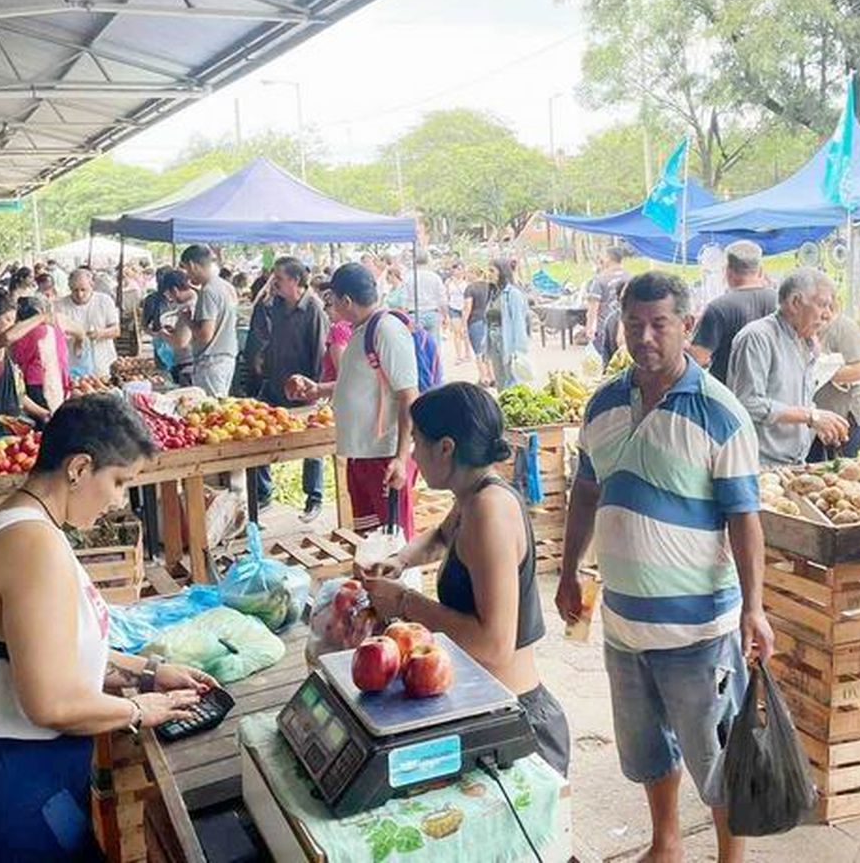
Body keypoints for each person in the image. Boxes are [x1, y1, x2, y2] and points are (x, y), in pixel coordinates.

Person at [0, 396, 213, 862]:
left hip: (14, 787)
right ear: (78, 468)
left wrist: (148, 670)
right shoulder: (30, 545)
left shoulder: (23, 527)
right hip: (8, 802)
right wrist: (139, 709)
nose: (120, 500)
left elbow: (49, 651)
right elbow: (51, 702)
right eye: (119, 482)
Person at [555, 272, 772, 863]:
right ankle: (666, 843)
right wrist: (569, 568)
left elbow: (744, 517)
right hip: (624, 623)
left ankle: (732, 858)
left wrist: (754, 607)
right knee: (649, 747)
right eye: (633, 324)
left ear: (687, 325)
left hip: (697, 628)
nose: (645, 337)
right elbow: (585, 489)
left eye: (659, 324)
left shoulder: (719, 412)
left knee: (716, 753)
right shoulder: (601, 404)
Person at [360, 383, 570, 776]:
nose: (413, 458)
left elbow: (494, 644)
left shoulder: (488, 512)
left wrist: (405, 603)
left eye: (417, 444)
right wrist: (400, 560)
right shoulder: (471, 496)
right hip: (485, 706)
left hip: (516, 722)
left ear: (446, 448)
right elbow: (441, 537)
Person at [287, 263, 419, 537]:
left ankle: (404, 582)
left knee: (395, 543)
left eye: (332, 299)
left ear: (346, 300)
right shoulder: (361, 331)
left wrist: (401, 457)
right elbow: (360, 384)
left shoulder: (387, 330)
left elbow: (408, 396)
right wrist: (318, 390)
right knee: (369, 541)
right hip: (361, 455)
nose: (331, 306)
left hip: (384, 457)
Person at [727, 268, 849, 466]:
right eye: (823, 305)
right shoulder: (758, 337)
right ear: (795, 303)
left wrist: (818, 422)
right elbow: (748, 402)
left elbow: (794, 399)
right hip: (761, 464)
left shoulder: (805, 342)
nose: (827, 315)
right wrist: (811, 416)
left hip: (795, 462)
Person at [246, 257, 329, 522]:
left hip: (303, 387)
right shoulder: (276, 306)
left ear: (294, 280)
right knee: (256, 432)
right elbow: (271, 337)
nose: (275, 283)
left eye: (279, 279)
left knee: (312, 443)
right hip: (274, 383)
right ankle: (263, 493)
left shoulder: (314, 310)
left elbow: (319, 352)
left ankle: (313, 499)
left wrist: (314, 389)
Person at [690, 241, 777, 383]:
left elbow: (697, 358)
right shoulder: (781, 303)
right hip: (773, 393)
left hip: (730, 395)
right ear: (760, 271)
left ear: (727, 271)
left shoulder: (717, 309)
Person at [0, 293, 50, 441]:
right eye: (7, 319)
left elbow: (18, 396)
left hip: (8, 426)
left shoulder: (3, 351)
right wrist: (42, 317)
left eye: (13, 320)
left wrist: (43, 413)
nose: (11, 324)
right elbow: (8, 337)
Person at [812, 313, 860, 459]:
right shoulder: (806, 327)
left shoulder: (843, 327)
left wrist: (823, 371)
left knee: (845, 471)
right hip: (819, 419)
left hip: (848, 417)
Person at [179, 245, 240, 397]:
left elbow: (205, 335)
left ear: (192, 265)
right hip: (226, 358)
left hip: (211, 361)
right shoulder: (225, 286)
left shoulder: (208, 291)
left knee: (210, 411)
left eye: (186, 269)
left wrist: (188, 321)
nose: (186, 275)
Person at [10, 296, 69, 420]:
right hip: (57, 379)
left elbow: (18, 357)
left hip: (37, 381)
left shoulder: (26, 332)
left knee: (41, 421)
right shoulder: (56, 329)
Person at [56, 269, 120, 379]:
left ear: (92, 285)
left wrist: (101, 333)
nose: (80, 294)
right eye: (75, 290)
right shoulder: (60, 306)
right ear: (69, 287)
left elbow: (116, 330)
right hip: (73, 366)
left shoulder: (104, 301)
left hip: (102, 363)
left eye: (83, 290)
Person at [485, 258, 532, 391]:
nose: (488, 274)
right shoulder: (493, 293)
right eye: (488, 270)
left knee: (512, 379)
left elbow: (519, 322)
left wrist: (519, 349)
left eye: (492, 271)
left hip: (508, 340)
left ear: (502, 272)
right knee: (500, 379)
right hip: (494, 340)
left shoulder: (513, 294)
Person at [584, 246, 631, 362]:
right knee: (624, 361)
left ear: (608, 258)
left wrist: (589, 327)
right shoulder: (631, 277)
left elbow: (593, 307)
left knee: (607, 362)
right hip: (627, 326)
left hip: (605, 328)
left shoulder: (600, 279)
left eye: (603, 256)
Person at [403, 250, 448, 339]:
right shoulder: (435, 277)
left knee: (417, 344)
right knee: (434, 345)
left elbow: (404, 298)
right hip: (432, 312)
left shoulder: (409, 277)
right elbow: (442, 298)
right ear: (428, 260)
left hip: (414, 313)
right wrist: (445, 315)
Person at [462, 267, 494, 385]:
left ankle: (483, 377)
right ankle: (492, 376)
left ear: (473, 274)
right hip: (489, 320)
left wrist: (463, 323)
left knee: (478, 351)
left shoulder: (470, 288)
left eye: (468, 273)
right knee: (488, 350)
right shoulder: (490, 286)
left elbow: (467, 308)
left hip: (475, 320)